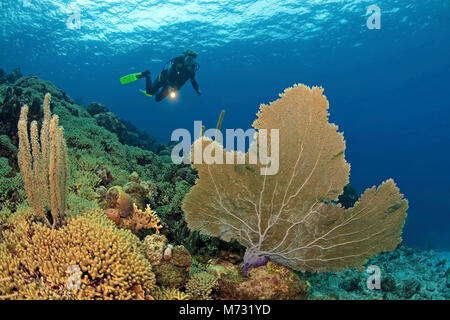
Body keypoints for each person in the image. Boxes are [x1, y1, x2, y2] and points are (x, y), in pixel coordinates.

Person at [120, 49, 201, 102]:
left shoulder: (192, 70)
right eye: (188, 59)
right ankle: (146, 75)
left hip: (172, 87)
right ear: (185, 57)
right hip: (163, 79)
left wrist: (197, 90)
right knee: (149, 92)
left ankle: (156, 91)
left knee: (157, 99)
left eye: (192, 61)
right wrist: (168, 83)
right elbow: (170, 71)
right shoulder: (178, 61)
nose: (189, 62)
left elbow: (193, 80)